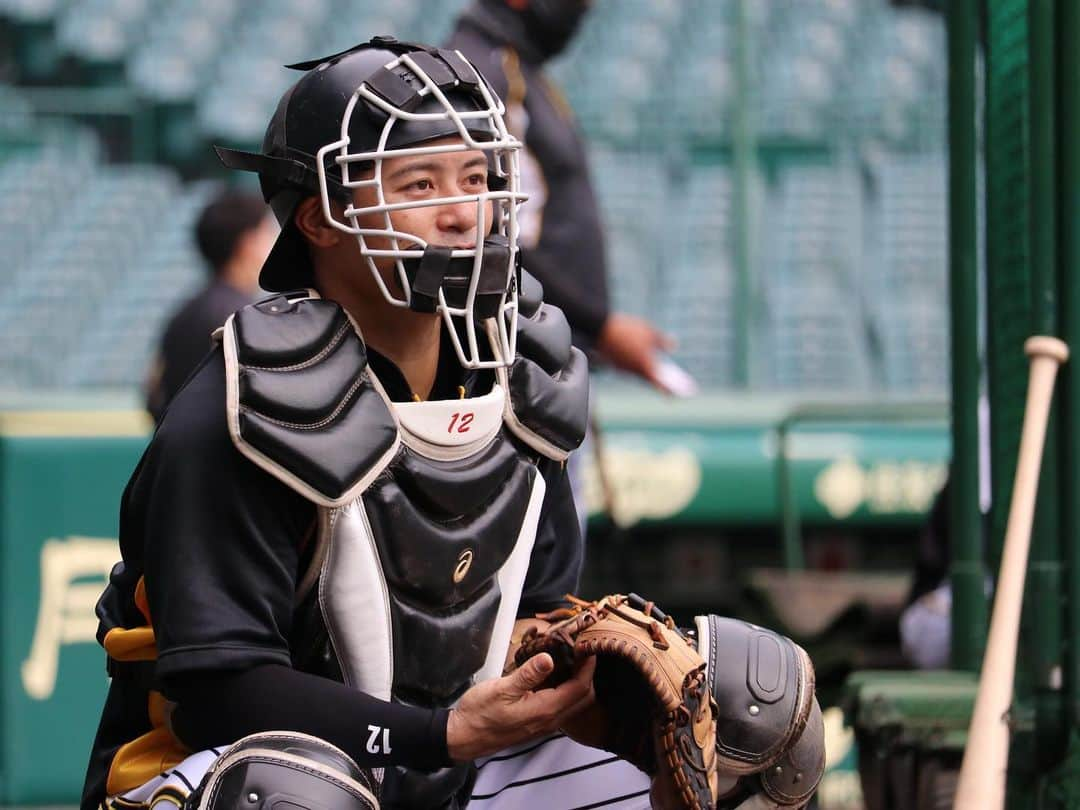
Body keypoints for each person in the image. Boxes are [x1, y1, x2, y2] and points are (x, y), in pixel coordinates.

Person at [82, 37, 822, 810]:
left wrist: (582, 672)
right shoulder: (242, 404)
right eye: (418, 183)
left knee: (747, 717)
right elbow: (217, 694)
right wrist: (439, 736)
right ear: (320, 218)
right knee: (291, 795)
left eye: (477, 177)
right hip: (219, 770)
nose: (461, 212)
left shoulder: (525, 375)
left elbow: (525, 614)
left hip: (452, 761)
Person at [445, 0, 677, 390]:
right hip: (514, 361)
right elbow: (492, 229)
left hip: (543, 352)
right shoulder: (486, 71)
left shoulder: (517, 68)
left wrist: (591, 328)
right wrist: (598, 324)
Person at [144, 189, 277, 422]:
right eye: (267, 234)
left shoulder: (183, 314)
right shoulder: (243, 319)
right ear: (248, 244)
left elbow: (153, 396)